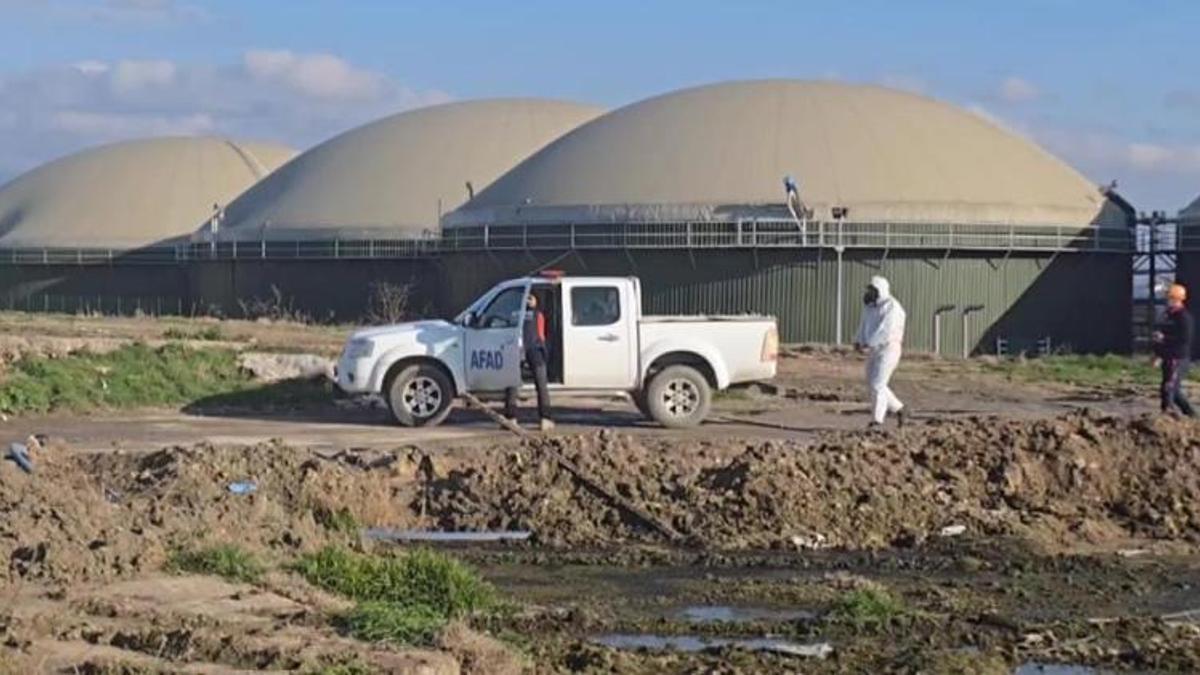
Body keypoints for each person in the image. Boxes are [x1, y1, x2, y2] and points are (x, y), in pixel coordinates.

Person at [853, 275, 907, 429]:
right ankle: (900, 409)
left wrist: (869, 343)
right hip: (874, 349)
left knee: (878, 383)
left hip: (889, 349)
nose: (868, 293)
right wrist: (858, 340)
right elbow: (863, 325)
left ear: (880, 290)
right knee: (873, 384)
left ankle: (877, 421)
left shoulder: (892, 307)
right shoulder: (870, 307)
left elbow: (886, 330)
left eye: (872, 290)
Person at [505, 292, 555, 431]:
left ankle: (511, 418)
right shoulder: (537, 315)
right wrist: (545, 353)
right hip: (535, 350)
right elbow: (541, 334)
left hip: (517, 350)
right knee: (541, 385)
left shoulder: (513, 314)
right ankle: (545, 418)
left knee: (512, 384)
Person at [1152, 283, 1195, 417]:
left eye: (1169, 298)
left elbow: (1184, 339)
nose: (1167, 301)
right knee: (1174, 391)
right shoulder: (1168, 316)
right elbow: (1161, 337)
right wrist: (1158, 354)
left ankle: (1167, 415)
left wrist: (1165, 337)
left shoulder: (1183, 317)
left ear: (1177, 299)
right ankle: (1193, 416)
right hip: (1168, 357)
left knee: (1168, 387)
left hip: (1178, 358)